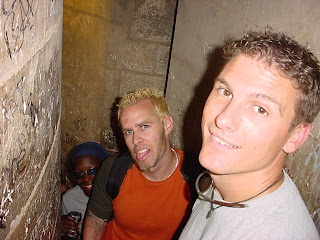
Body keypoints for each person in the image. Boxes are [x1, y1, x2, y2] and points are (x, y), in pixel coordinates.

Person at [179, 30, 320, 239]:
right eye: (225, 92)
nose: (223, 119)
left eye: (260, 109)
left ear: (296, 136)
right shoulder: (224, 182)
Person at [83, 88, 195, 240]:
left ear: (167, 125)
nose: (136, 140)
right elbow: (95, 225)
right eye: (128, 132)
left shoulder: (194, 179)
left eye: (144, 126)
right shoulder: (115, 169)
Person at [61, 142, 110, 239]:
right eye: (79, 174)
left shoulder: (118, 195)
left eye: (92, 171)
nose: (86, 179)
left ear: (105, 168)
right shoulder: (69, 199)